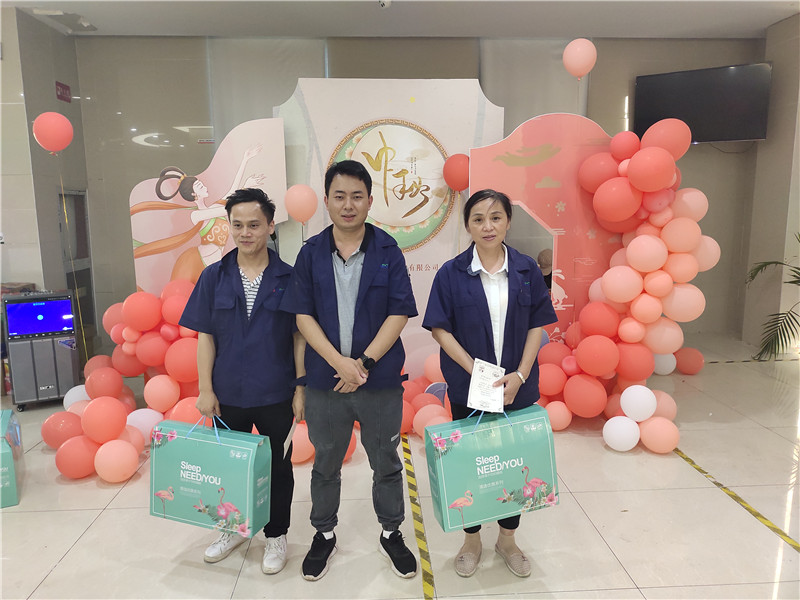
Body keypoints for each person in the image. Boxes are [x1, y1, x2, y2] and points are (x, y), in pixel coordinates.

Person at [280, 160, 419, 582]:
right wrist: (339, 363)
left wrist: (363, 364)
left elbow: (399, 312)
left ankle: (391, 532)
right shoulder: (310, 253)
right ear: (326, 201)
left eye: (357, 196)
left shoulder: (388, 250)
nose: (348, 205)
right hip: (326, 383)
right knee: (325, 462)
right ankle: (324, 534)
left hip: (379, 382)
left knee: (386, 462)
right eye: (339, 196)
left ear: (370, 201)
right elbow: (302, 316)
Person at [422, 189, 557, 578]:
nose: (487, 226)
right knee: (472, 461)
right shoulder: (451, 273)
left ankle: (508, 540)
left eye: (496, 217)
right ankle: (472, 541)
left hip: (517, 384)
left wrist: (521, 374)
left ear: (508, 222)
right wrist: (476, 372)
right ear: (468, 225)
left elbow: (536, 323)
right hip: (470, 387)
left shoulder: (526, 269)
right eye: (478, 219)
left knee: (514, 461)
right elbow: (440, 328)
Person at [179, 187, 305, 575]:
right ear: (229, 226)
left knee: (278, 468)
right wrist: (205, 389)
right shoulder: (213, 277)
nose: (245, 233)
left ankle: (276, 535)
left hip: (276, 392)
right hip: (227, 393)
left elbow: (299, 336)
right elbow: (205, 337)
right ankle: (231, 529)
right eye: (238, 225)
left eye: (254, 225)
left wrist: (300, 387)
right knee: (229, 468)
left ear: (270, 226)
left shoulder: (289, 277)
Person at [132, 145, 264, 283]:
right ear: (194, 195)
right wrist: (246, 187)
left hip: (217, 261)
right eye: (200, 186)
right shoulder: (197, 215)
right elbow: (229, 208)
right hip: (203, 263)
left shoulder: (212, 209)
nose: (204, 187)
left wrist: (245, 159)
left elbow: (232, 191)